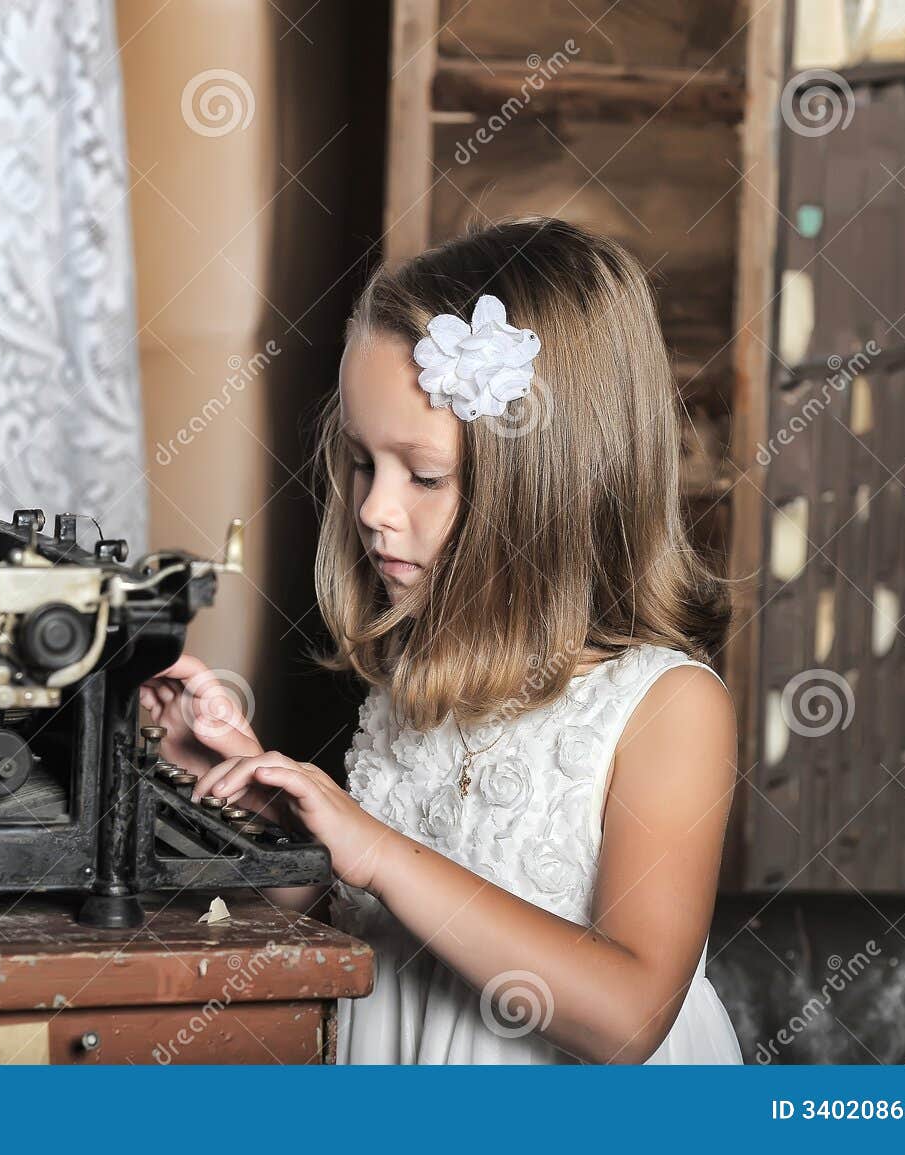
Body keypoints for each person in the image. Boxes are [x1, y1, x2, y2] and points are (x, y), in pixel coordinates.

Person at [140, 216, 743, 1064]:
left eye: (423, 475)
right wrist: (266, 810)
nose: (374, 509)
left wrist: (379, 849)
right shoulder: (415, 680)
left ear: (548, 485)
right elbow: (351, 921)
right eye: (361, 462)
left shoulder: (669, 706)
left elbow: (630, 1015)